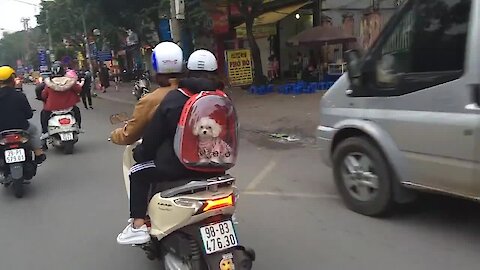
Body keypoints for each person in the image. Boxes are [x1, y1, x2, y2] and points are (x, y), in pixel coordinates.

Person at [116, 49, 223, 245]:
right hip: (217, 164)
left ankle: (138, 226)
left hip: (180, 166)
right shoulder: (222, 99)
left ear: (187, 71)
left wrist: (140, 154)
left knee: (137, 172)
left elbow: (152, 138)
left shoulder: (176, 98)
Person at [110, 42, 184, 145]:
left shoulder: (150, 101)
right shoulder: (193, 91)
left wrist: (114, 135)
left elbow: (129, 135)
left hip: (165, 156)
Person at [0, 66, 46, 164]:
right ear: (12, 80)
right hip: (21, 128)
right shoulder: (19, 95)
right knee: (33, 131)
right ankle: (38, 153)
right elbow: (29, 114)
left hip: (1, 130)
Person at [40, 63, 83, 140]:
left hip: (52, 109)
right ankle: (78, 127)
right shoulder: (70, 81)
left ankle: (45, 132)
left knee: (43, 115)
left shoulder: (49, 84)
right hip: (69, 108)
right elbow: (78, 89)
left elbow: (44, 95)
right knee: (77, 111)